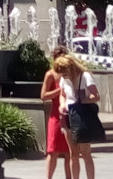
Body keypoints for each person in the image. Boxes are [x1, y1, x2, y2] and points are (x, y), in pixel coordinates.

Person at [54, 54, 100, 179]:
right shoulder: (64, 79)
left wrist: (80, 101)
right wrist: (62, 104)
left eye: (64, 73)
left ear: (70, 68)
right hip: (68, 116)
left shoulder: (85, 76)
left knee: (85, 153)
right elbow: (62, 94)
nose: (63, 76)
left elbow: (96, 96)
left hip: (82, 116)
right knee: (73, 153)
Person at [41, 46, 71, 179]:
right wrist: (60, 91)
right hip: (55, 115)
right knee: (53, 150)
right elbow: (43, 95)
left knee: (70, 152)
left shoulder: (70, 73)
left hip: (69, 113)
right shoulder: (51, 74)